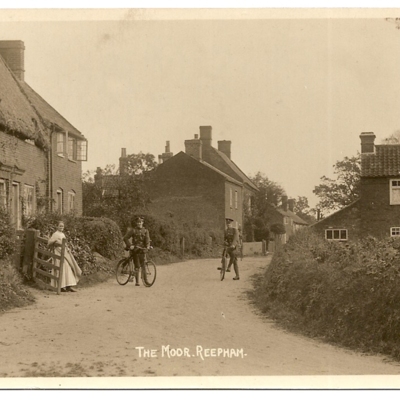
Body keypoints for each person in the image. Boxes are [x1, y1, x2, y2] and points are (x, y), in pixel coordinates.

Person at [48, 221, 82, 293]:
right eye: (60, 226)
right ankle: (61, 286)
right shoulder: (55, 234)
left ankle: (69, 285)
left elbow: (65, 243)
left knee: (68, 266)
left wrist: (68, 248)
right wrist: (55, 242)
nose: (61, 228)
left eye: (62, 226)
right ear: (57, 226)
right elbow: (50, 242)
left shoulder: (63, 234)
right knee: (60, 267)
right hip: (58, 252)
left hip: (65, 252)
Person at [123, 216, 151, 286]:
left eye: (140, 222)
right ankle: (137, 281)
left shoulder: (145, 231)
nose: (139, 223)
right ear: (136, 223)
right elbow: (125, 238)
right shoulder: (133, 230)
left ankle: (146, 281)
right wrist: (130, 246)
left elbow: (147, 239)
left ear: (142, 222)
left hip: (142, 250)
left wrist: (147, 245)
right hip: (135, 249)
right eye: (138, 222)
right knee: (137, 265)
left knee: (144, 265)